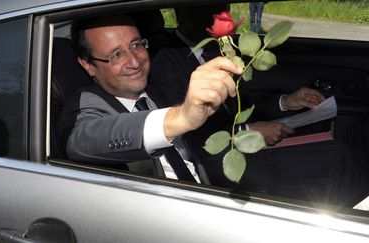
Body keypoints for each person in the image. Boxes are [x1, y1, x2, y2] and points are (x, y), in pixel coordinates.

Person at [60, 13, 368, 207]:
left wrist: (279, 106)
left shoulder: (158, 91)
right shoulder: (85, 103)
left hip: (220, 183)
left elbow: (218, 120)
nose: (134, 60)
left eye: (137, 44)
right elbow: (84, 140)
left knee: (343, 160)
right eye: (115, 55)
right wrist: (179, 118)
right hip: (180, 214)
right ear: (88, 65)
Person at [148, 5, 369, 206]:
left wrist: (287, 101)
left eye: (226, 8)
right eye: (215, 8)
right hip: (224, 157)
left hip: (249, 137)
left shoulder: (216, 49)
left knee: (348, 133)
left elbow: (242, 99)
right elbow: (185, 132)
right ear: (186, 14)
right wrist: (249, 133)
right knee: (342, 155)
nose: (223, 14)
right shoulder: (165, 66)